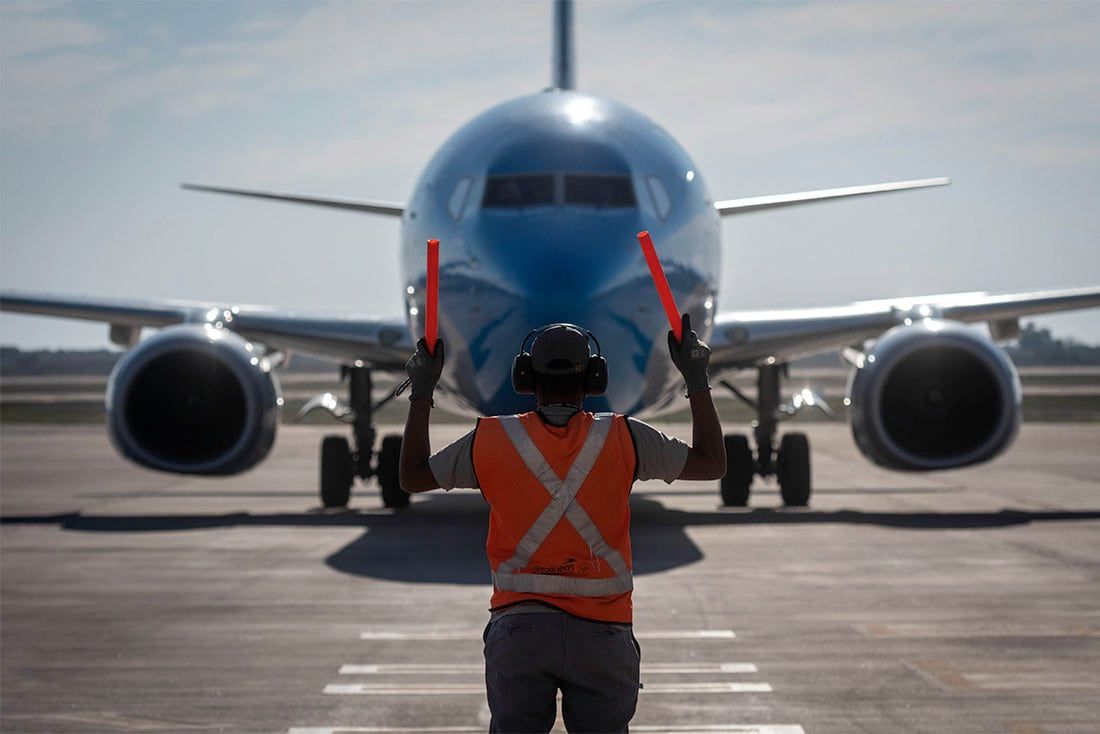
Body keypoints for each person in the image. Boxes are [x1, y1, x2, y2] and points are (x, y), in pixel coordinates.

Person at [400, 315, 725, 734]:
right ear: (594, 378)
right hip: (603, 633)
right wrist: (696, 378)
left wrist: (423, 389)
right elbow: (712, 464)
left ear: (524, 377)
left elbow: (412, 476)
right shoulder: (625, 437)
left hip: (520, 631)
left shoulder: (491, 438)